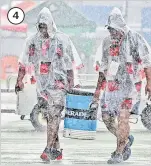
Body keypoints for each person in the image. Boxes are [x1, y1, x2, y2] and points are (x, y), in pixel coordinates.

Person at [15, 7, 83, 162]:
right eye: (40, 26)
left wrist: (71, 83)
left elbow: (70, 63)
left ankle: (47, 149)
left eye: (45, 26)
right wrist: (19, 80)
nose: (43, 30)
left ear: (51, 24)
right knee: (50, 116)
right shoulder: (32, 41)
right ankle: (56, 150)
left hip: (59, 85)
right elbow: (24, 62)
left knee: (54, 115)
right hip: (42, 86)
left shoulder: (62, 40)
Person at [92, 7, 151, 164]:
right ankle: (125, 139)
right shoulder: (106, 43)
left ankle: (119, 152)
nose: (112, 33)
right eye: (110, 30)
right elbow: (103, 69)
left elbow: (147, 61)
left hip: (131, 86)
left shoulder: (135, 39)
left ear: (121, 28)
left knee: (123, 118)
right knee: (106, 118)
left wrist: (149, 82)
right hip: (112, 87)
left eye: (114, 30)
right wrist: (97, 93)